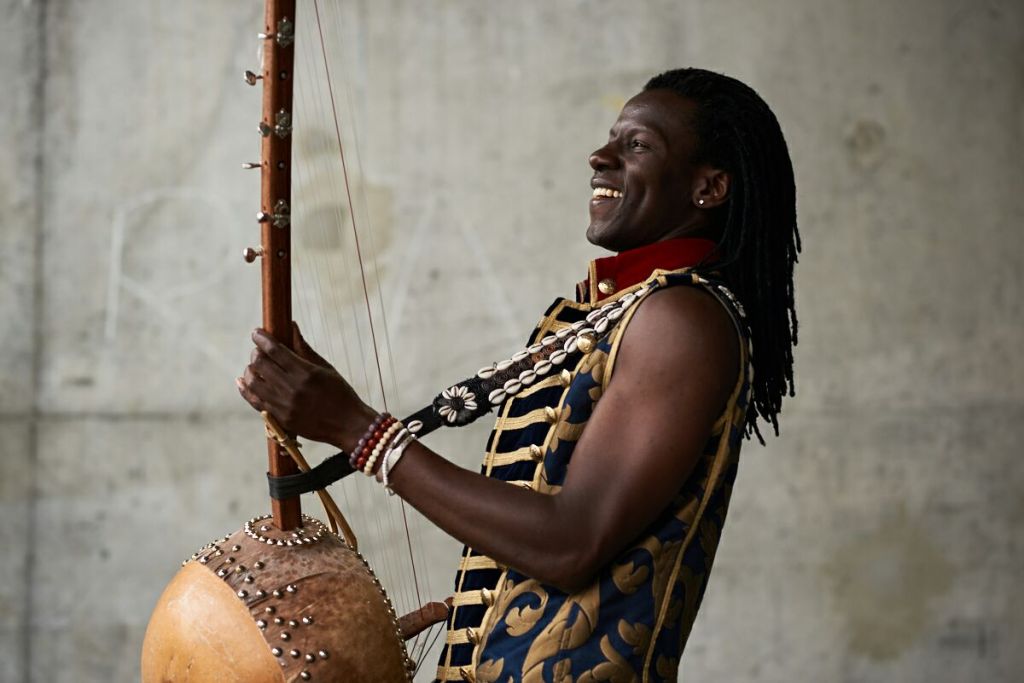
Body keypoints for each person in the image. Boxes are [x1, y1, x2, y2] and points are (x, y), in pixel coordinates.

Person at [237, 67, 799, 682]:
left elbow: (569, 544)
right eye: (613, 138)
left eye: (637, 145)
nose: (600, 156)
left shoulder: (682, 320)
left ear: (709, 188)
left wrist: (358, 430)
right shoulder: (618, 312)